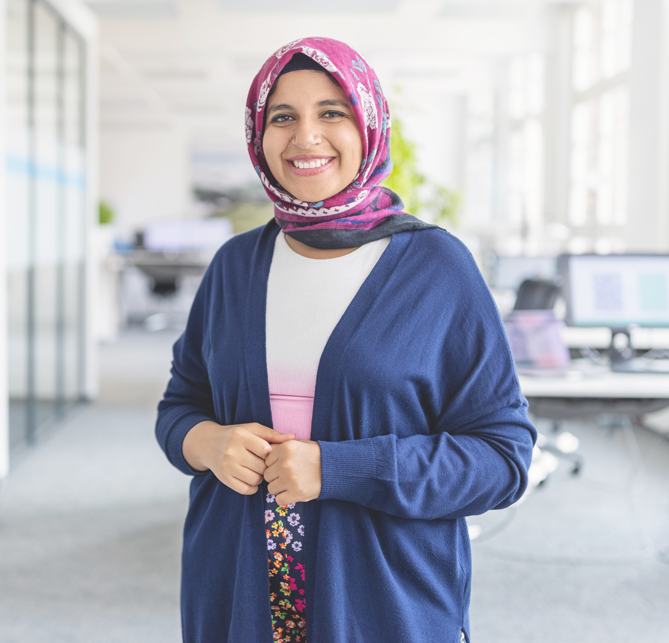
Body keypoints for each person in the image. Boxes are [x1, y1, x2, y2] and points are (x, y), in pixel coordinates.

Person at [156, 36, 536, 643]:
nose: (306, 137)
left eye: (332, 112)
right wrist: (206, 442)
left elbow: (502, 458)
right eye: (283, 116)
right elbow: (180, 407)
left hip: (381, 604)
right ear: (260, 135)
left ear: (368, 125)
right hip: (238, 596)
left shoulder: (436, 267)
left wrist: (338, 468)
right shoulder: (234, 267)